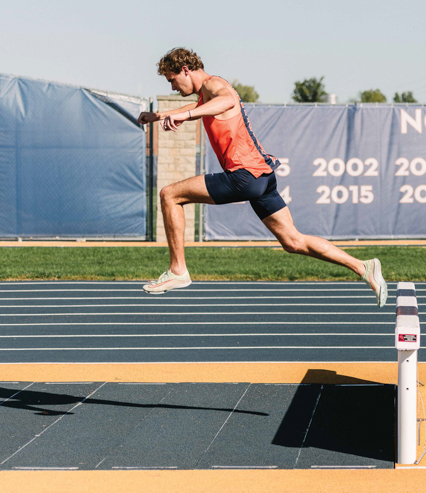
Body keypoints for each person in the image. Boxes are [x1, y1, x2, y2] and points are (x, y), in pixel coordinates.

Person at [137, 48, 387, 307]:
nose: (173, 87)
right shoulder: (205, 93)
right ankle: (364, 267)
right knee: (293, 241)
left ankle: (178, 271)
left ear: (185, 70)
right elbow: (201, 105)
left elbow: (227, 101)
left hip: (243, 175)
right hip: (262, 176)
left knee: (169, 194)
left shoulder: (215, 84)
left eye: (172, 80)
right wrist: (160, 116)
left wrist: (184, 115)